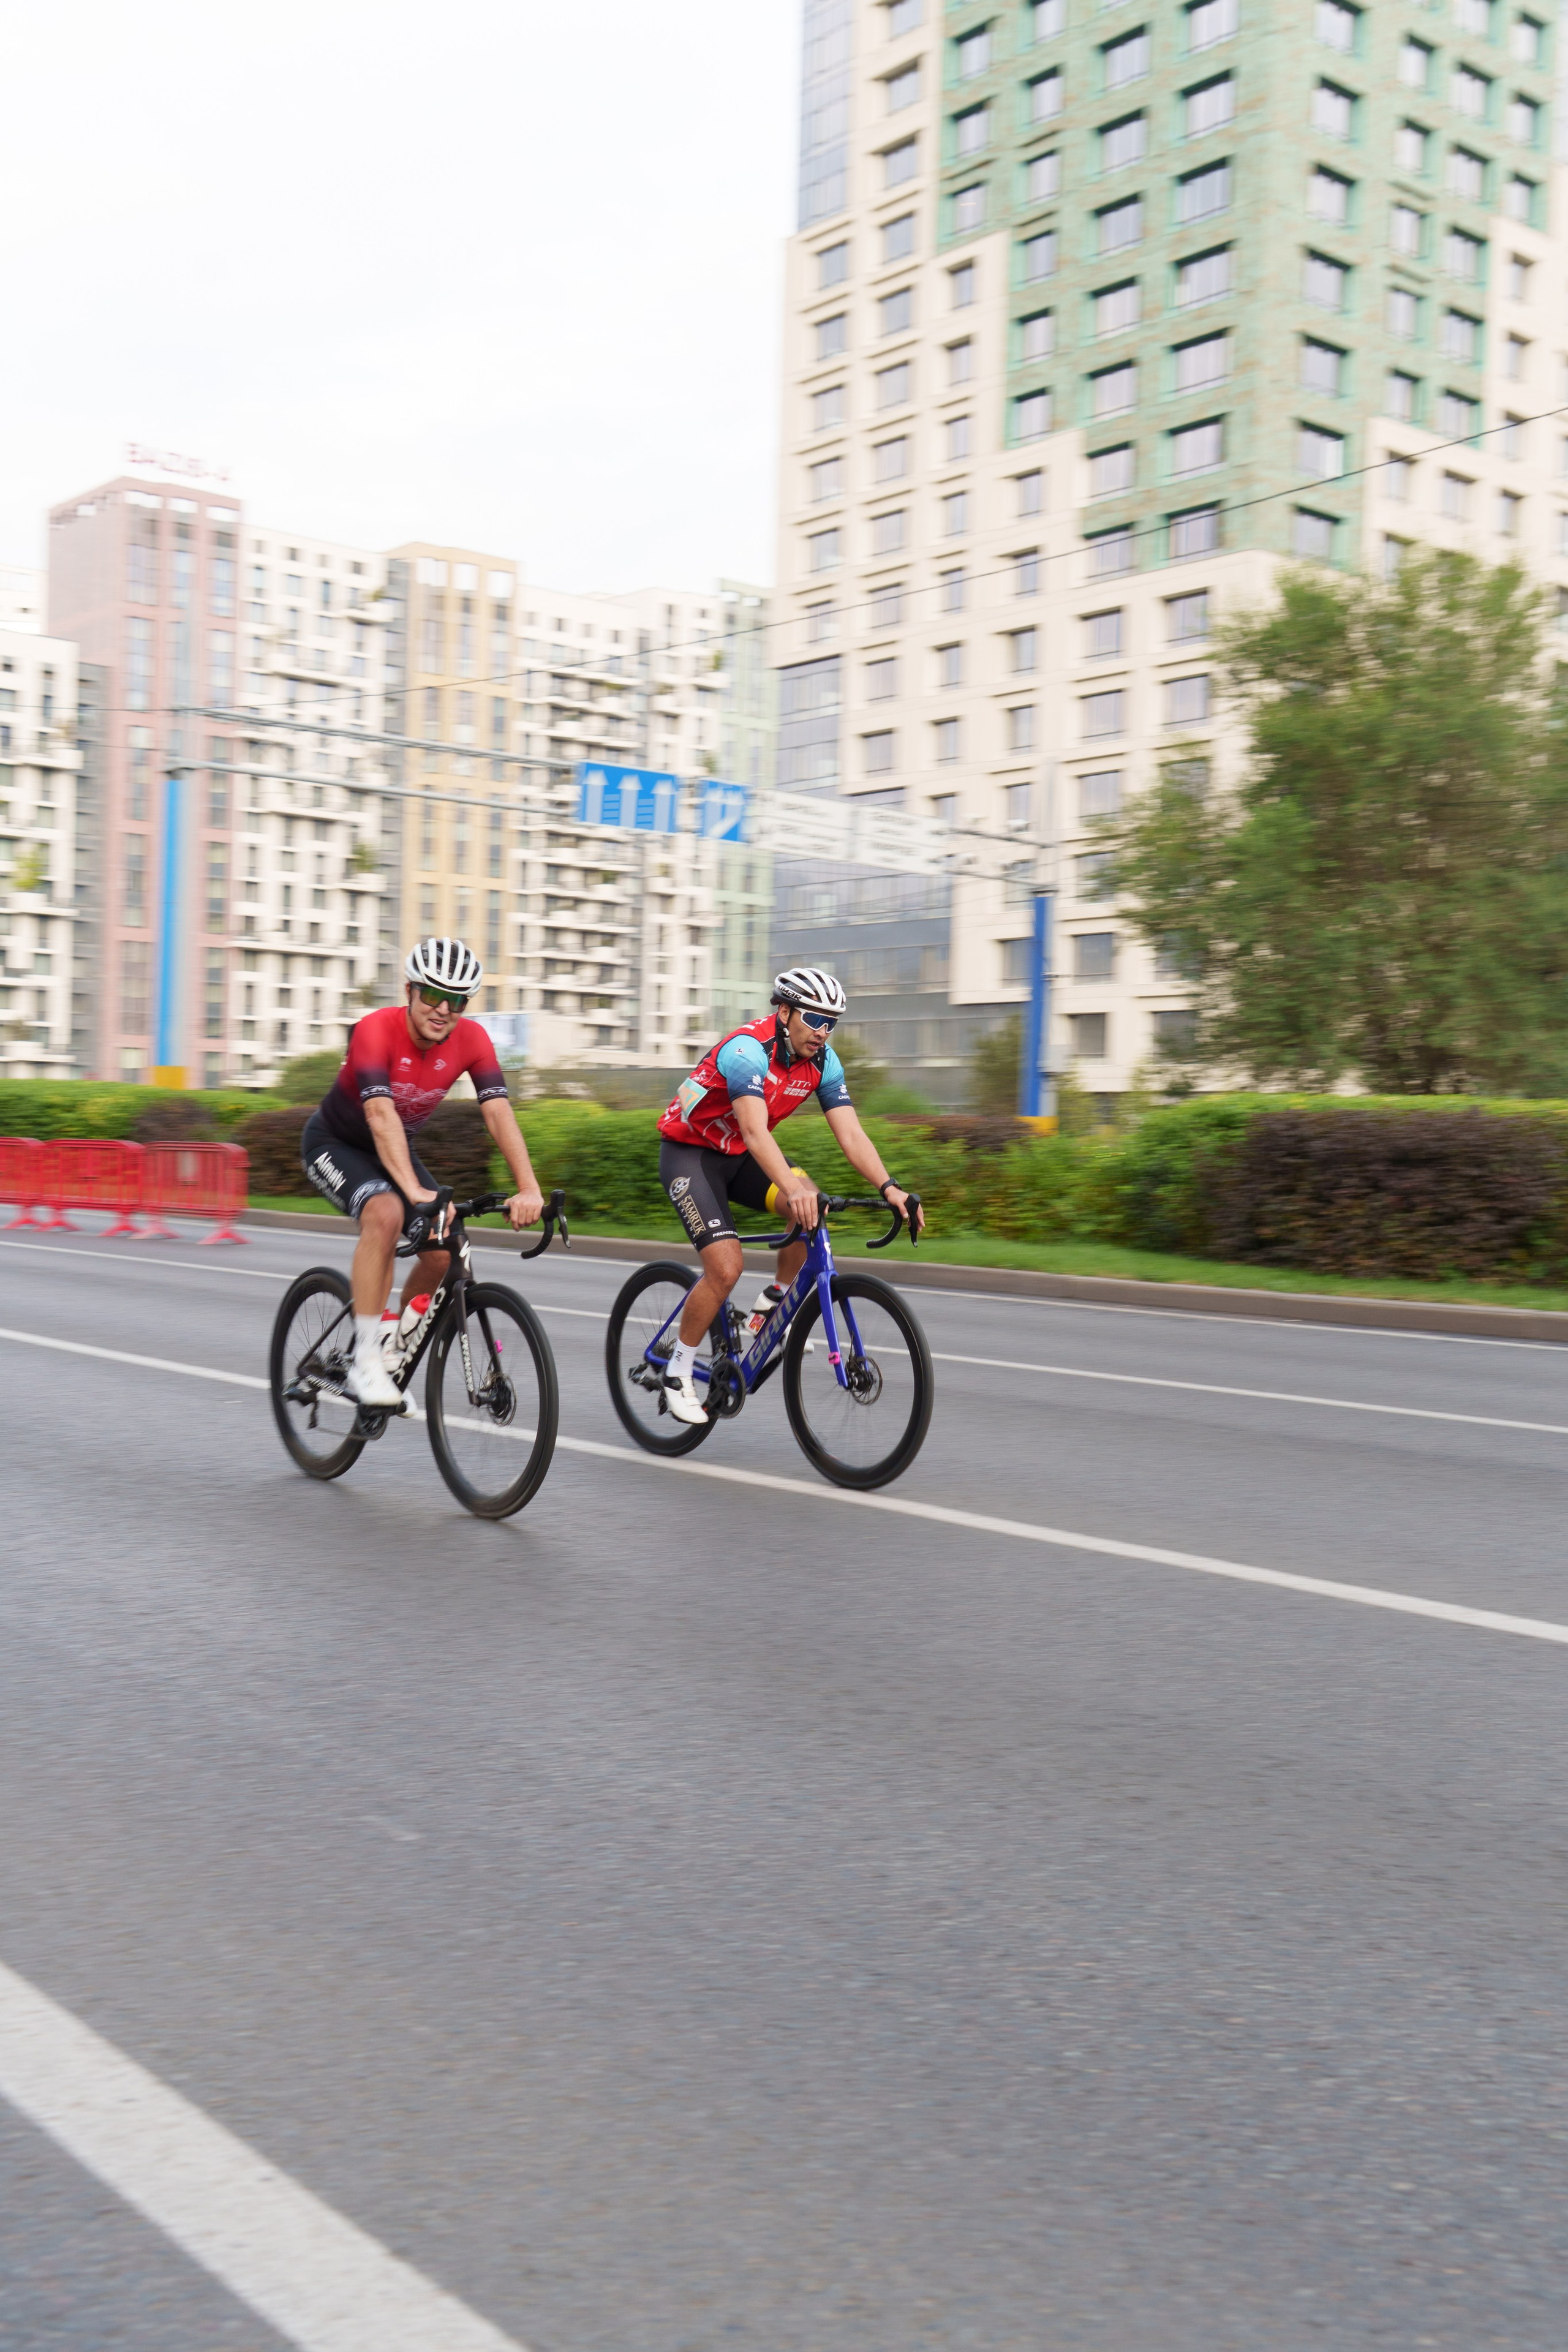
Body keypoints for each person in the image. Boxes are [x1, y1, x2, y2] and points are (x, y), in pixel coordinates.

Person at [655, 966, 922, 1424]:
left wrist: (891, 1187)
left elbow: (852, 1135)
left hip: (738, 1157)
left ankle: (774, 1300)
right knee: (726, 1267)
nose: (824, 1032)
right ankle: (678, 1372)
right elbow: (757, 1132)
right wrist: (793, 1187)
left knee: (812, 1204)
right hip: (691, 1156)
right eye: (815, 1020)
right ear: (784, 1012)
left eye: (832, 1023)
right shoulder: (746, 1051)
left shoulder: (823, 1062)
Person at [300, 937, 544, 1411]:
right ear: (409, 990)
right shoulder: (375, 1030)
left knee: (443, 1246)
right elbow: (380, 1115)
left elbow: (497, 1113)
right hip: (336, 1143)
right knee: (387, 1213)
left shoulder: (472, 1040)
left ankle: (392, 1353)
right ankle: (365, 1361)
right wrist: (413, 1190)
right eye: (432, 994)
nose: (443, 1009)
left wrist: (528, 1186)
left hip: (395, 1150)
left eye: (456, 1001)